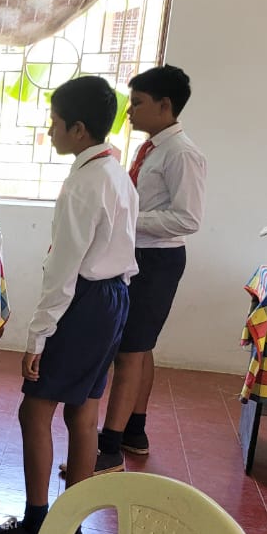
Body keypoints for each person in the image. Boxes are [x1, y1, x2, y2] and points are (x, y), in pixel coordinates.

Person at [0, 76, 138, 534]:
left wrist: (38, 336)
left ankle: (37, 524)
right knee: (83, 412)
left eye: (55, 123)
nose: (49, 132)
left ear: (79, 129)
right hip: (112, 299)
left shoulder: (84, 184)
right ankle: (71, 528)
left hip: (82, 303)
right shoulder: (116, 171)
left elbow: (64, 270)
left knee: (34, 410)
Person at [93, 65, 206, 474]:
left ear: (164, 105)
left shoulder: (182, 153)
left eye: (137, 104)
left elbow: (187, 219)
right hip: (140, 255)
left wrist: (128, 217)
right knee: (142, 346)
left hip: (157, 260)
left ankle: (109, 445)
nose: (130, 113)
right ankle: (134, 429)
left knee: (129, 352)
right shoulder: (154, 147)